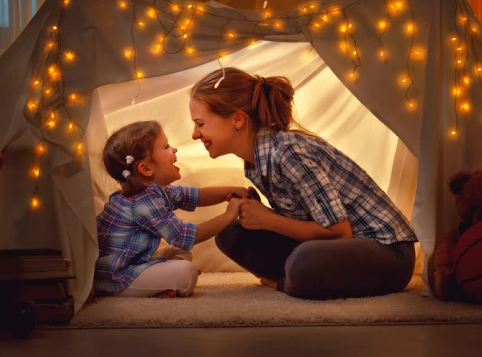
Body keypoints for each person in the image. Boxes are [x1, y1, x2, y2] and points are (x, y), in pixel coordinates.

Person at [189, 67, 418, 299]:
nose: (195, 135)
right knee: (230, 234)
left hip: (386, 254)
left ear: (237, 119)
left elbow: (339, 233)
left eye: (200, 124)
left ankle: (288, 283)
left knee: (305, 260)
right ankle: (299, 278)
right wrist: (258, 216)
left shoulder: (289, 153)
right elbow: (305, 221)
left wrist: (268, 220)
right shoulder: (256, 162)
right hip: (335, 250)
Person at [94, 120, 250, 299]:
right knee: (187, 272)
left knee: (180, 253)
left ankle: (162, 282)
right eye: (166, 146)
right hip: (117, 276)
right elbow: (185, 236)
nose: (174, 149)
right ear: (145, 168)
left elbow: (196, 196)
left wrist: (231, 191)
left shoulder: (155, 191)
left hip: (134, 261)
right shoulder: (142, 201)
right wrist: (230, 215)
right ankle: (164, 281)